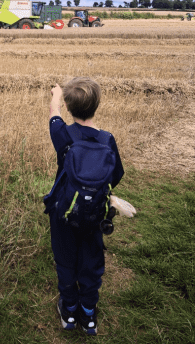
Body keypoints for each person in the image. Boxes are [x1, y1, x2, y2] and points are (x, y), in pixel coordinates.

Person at [48, 78, 124, 336]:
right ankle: (88, 315)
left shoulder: (63, 136)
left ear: (69, 106)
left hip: (64, 212)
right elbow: (116, 175)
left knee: (66, 261)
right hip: (95, 214)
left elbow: (54, 117)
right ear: (97, 105)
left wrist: (56, 96)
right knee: (91, 263)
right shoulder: (107, 140)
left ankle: (69, 311)